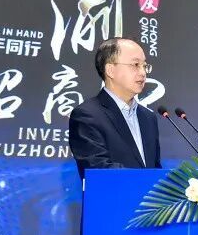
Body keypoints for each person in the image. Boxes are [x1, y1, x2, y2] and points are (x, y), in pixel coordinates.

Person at [69, 37, 162, 177]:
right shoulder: (87, 115)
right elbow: (98, 169)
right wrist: (145, 180)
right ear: (110, 70)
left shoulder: (148, 117)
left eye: (144, 66)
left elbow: (155, 169)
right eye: (135, 64)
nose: (143, 73)